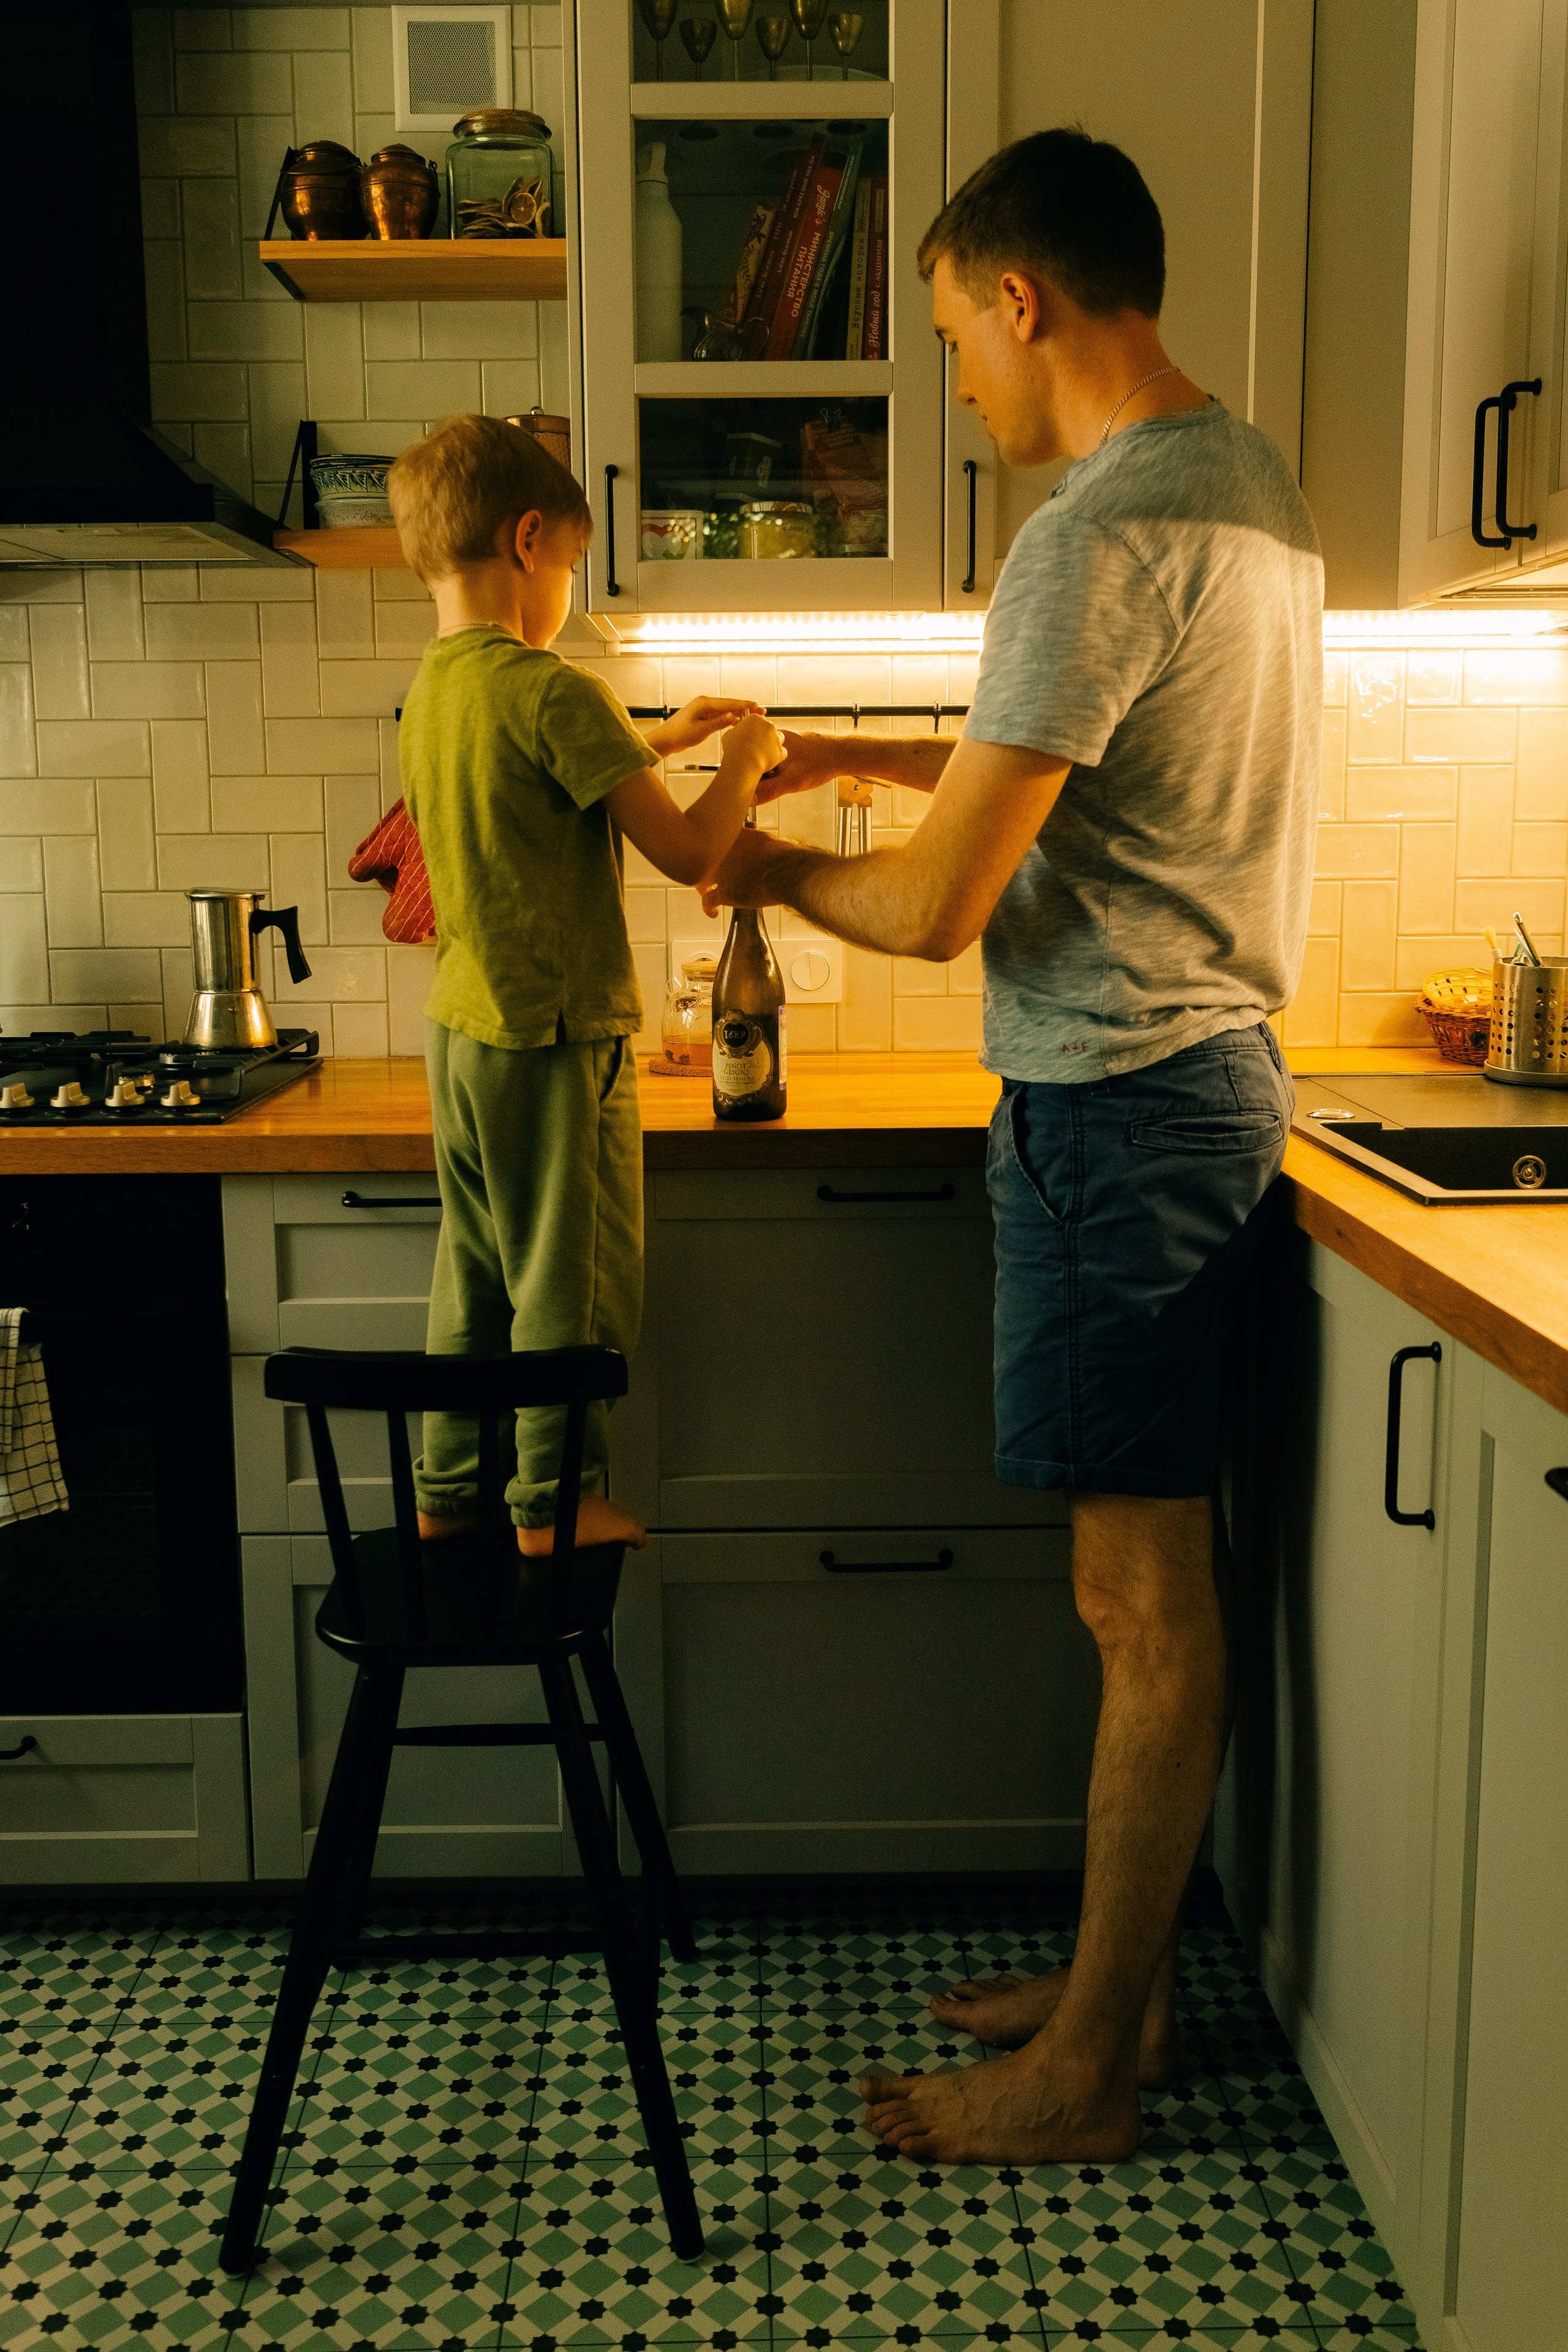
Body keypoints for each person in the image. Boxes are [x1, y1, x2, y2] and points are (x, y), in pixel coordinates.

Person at [702, 130, 1324, 2163]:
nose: (958, 379)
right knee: (1145, 1587)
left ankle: (1084, 2079)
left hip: (1116, 1111)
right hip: (1203, 1086)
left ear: (1021, 298)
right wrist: (861, 754)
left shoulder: (1094, 531)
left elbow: (943, 906)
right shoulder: (1247, 485)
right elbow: (1069, 768)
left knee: (1142, 1604)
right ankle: (1114, 1994)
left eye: (955, 332)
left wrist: (770, 867)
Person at [388, 414, 783, 1554]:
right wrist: (742, 762)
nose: (567, 586)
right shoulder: (553, 687)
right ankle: (552, 1506)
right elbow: (691, 852)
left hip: (465, 1031)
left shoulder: (439, 687)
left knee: (474, 1273)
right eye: (569, 560)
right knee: (574, 1277)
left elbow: (535, 772)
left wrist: (659, 739)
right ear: (529, 541)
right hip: (556, 1035)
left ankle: (447, 1490)